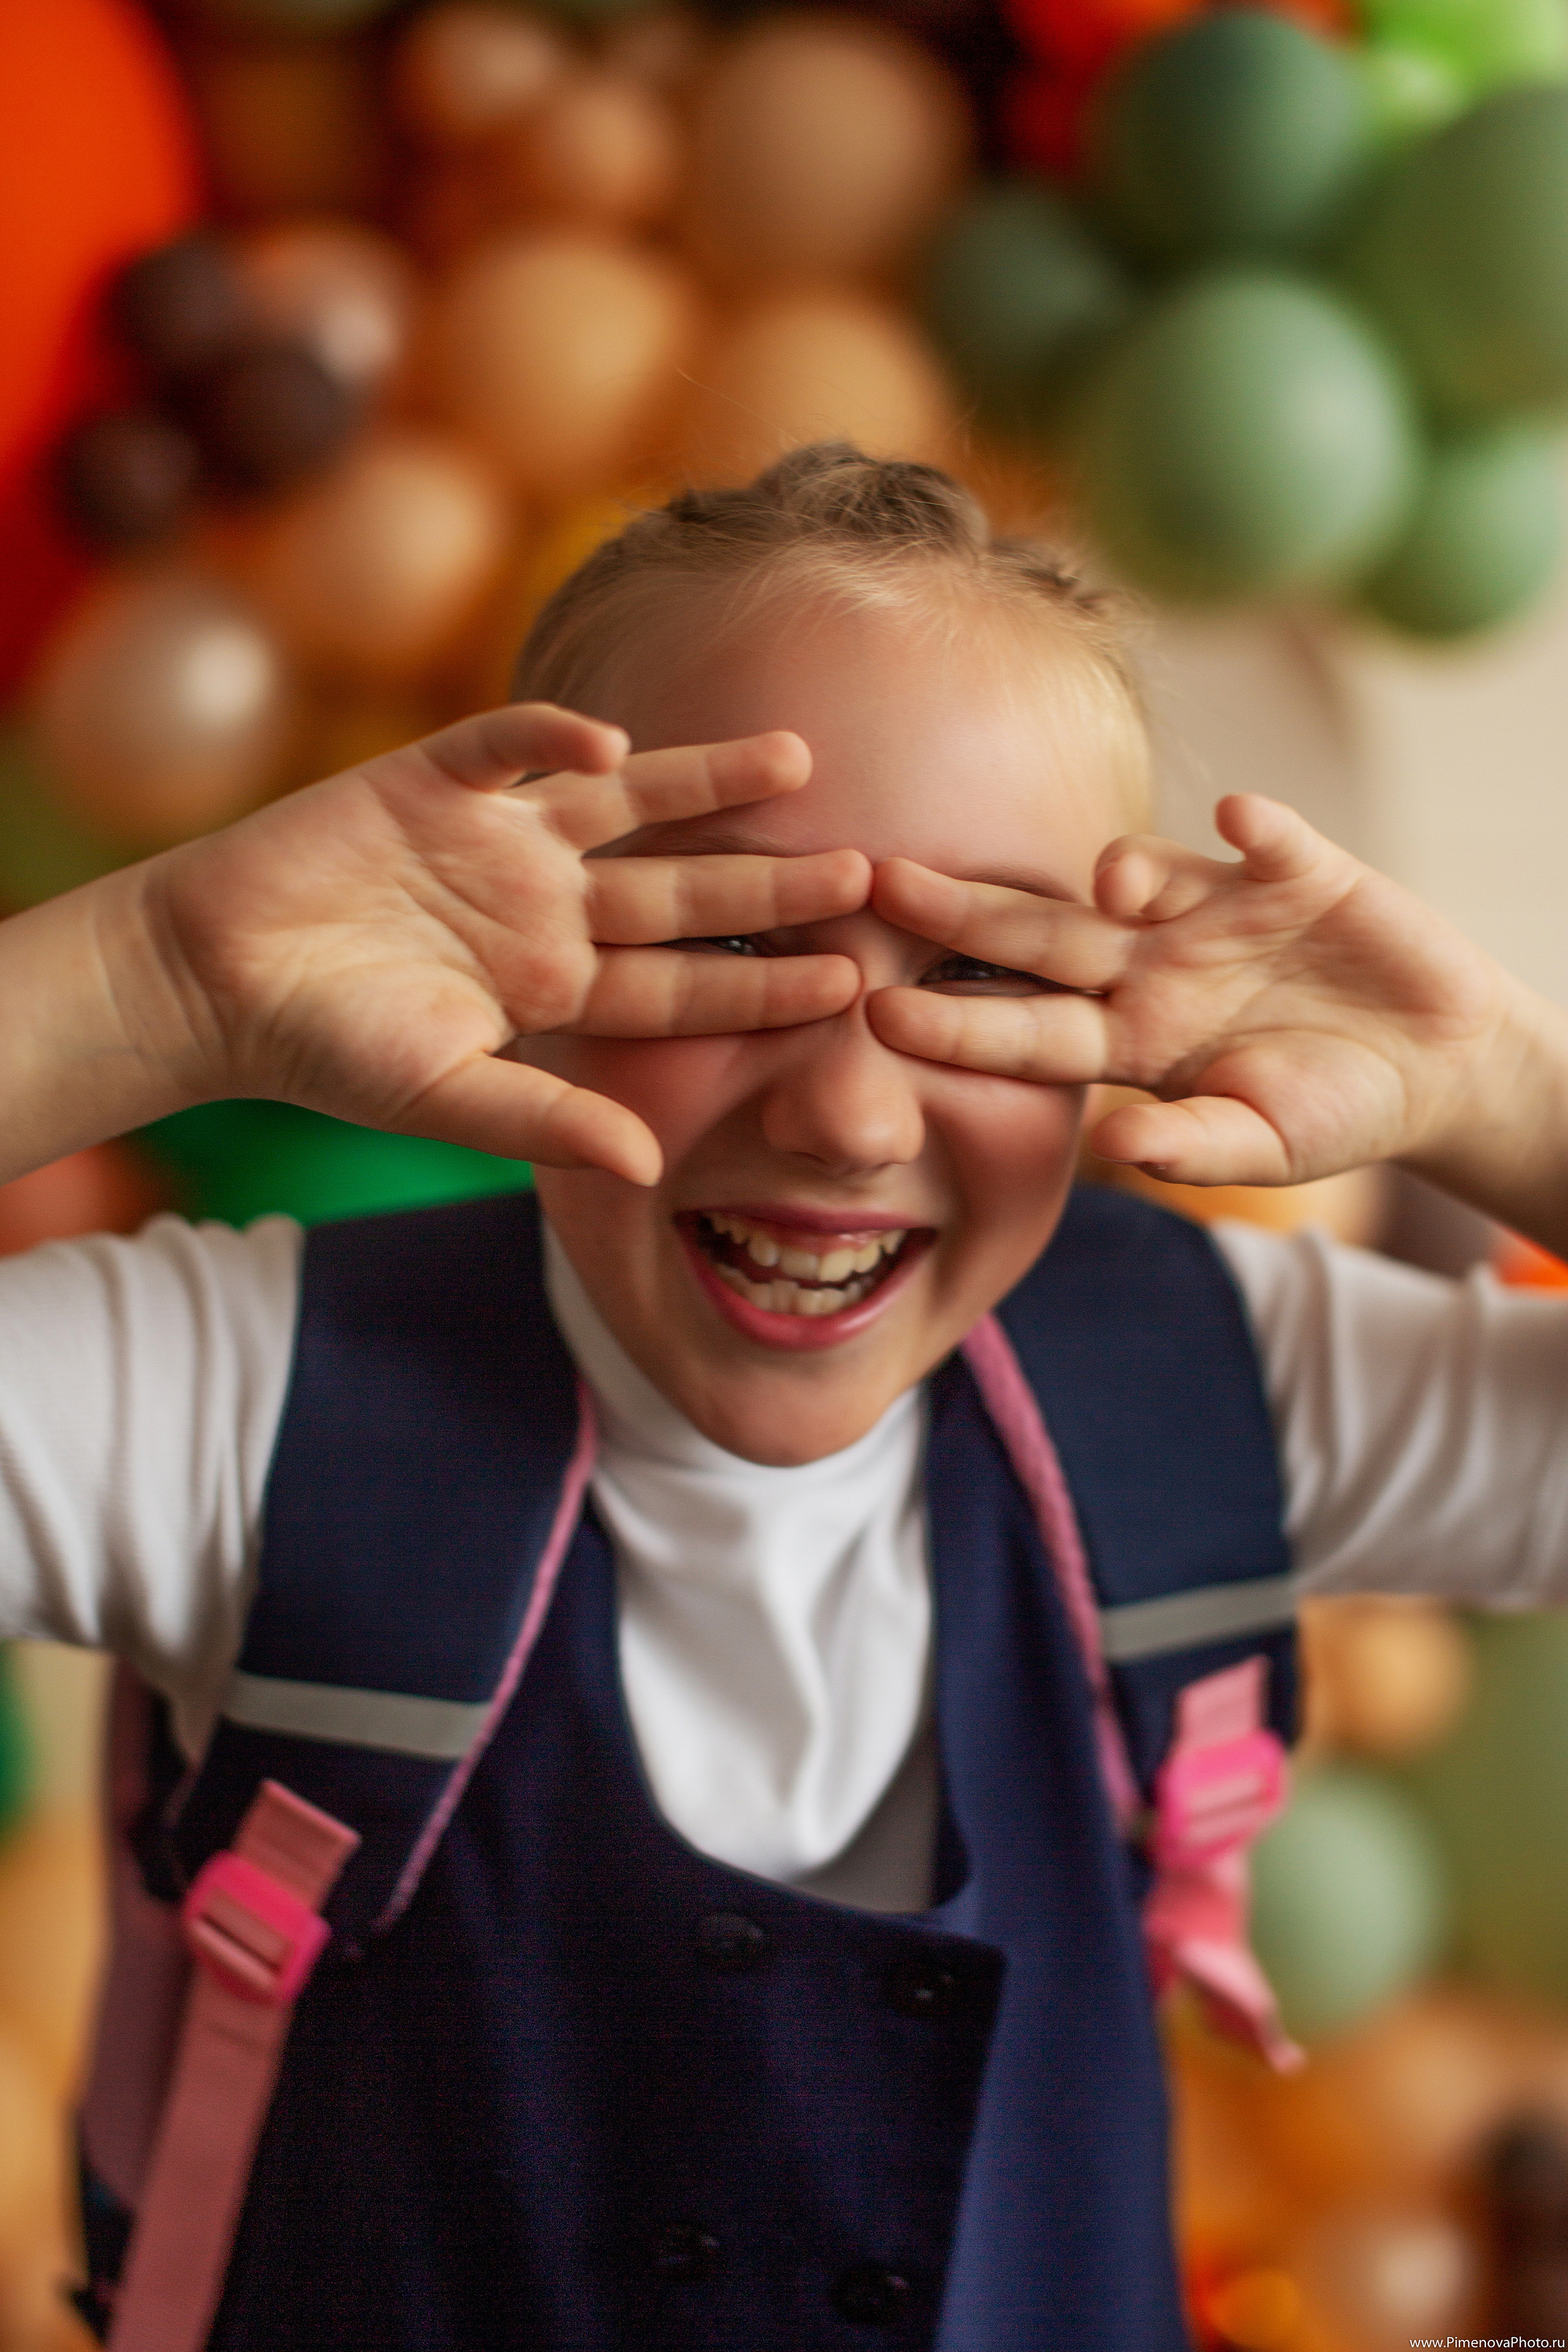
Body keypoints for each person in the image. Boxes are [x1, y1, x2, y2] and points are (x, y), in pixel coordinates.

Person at [3, 443, 1568, 2352]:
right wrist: (153, 977)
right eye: (733, 943)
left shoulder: (1209, 1375)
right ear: (523, 962)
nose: (847, 1113)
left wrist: (1514, 1095)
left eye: (984, 972)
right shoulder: (243, 1406)